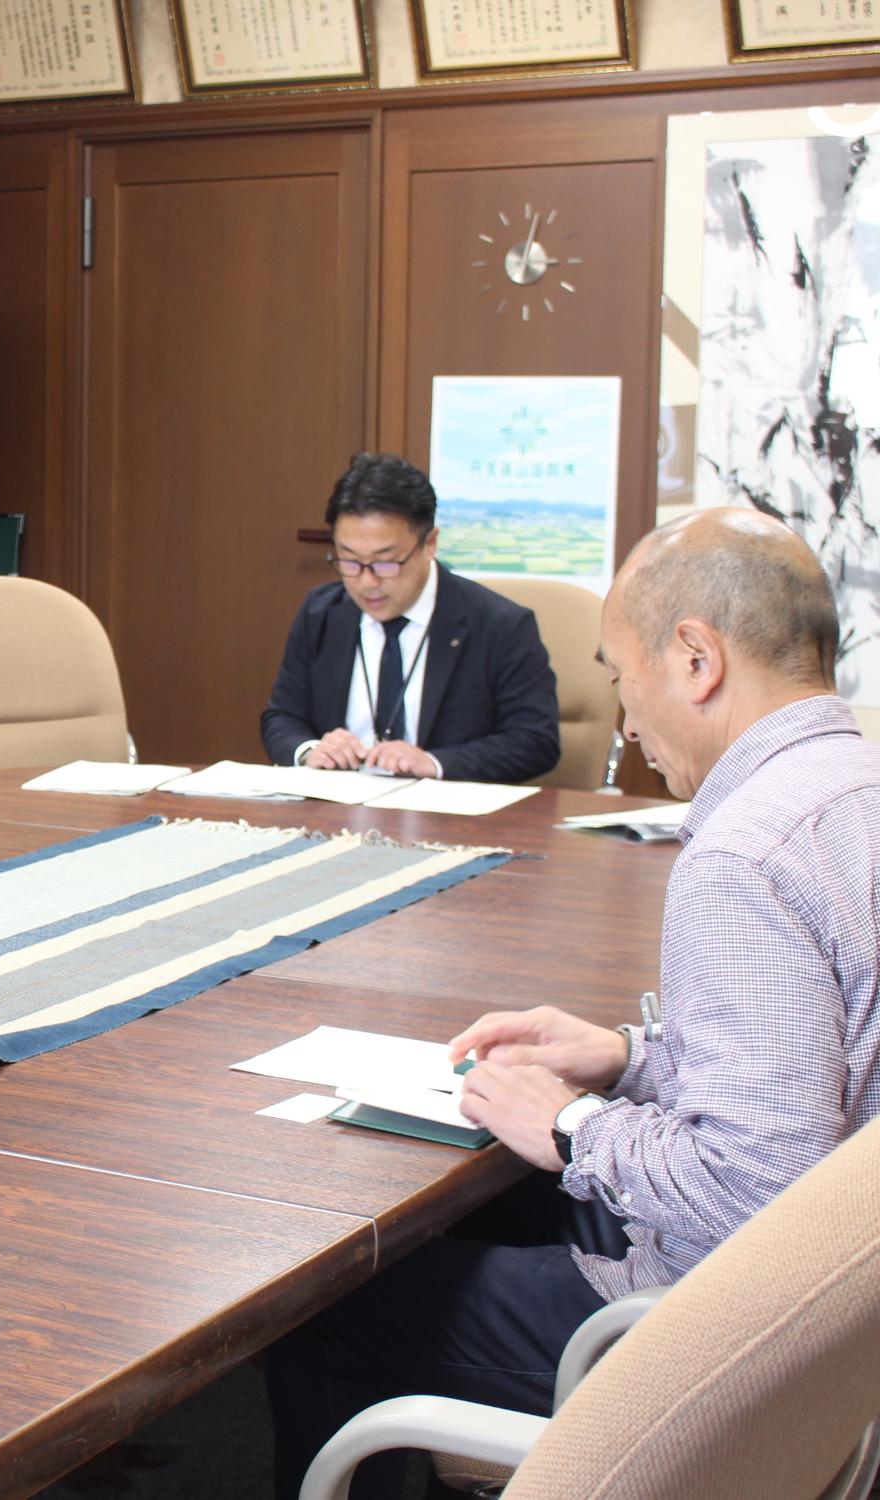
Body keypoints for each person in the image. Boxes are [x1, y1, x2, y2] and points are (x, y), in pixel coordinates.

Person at [263, 506, 880, 1499]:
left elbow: (755, 1195)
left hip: (708, 1333)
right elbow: (817, 1065)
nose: (626, 722)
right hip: (844, 1330)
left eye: (619, 674)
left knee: (328, 1311)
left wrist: (567, 1122)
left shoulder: (740, 857)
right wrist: (628, 1060)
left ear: (693, 659)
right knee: (467, 1224)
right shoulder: (853, 784)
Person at [261, 453, 560, 783]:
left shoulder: (500, 625)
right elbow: (282, 717)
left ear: (430, 543)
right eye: (349, 562)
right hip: (336, 811)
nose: (367, 582)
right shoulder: (321, 614)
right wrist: (309, 749)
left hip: (447, 818)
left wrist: (434, 763)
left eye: (385, 563)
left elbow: (535, 741)